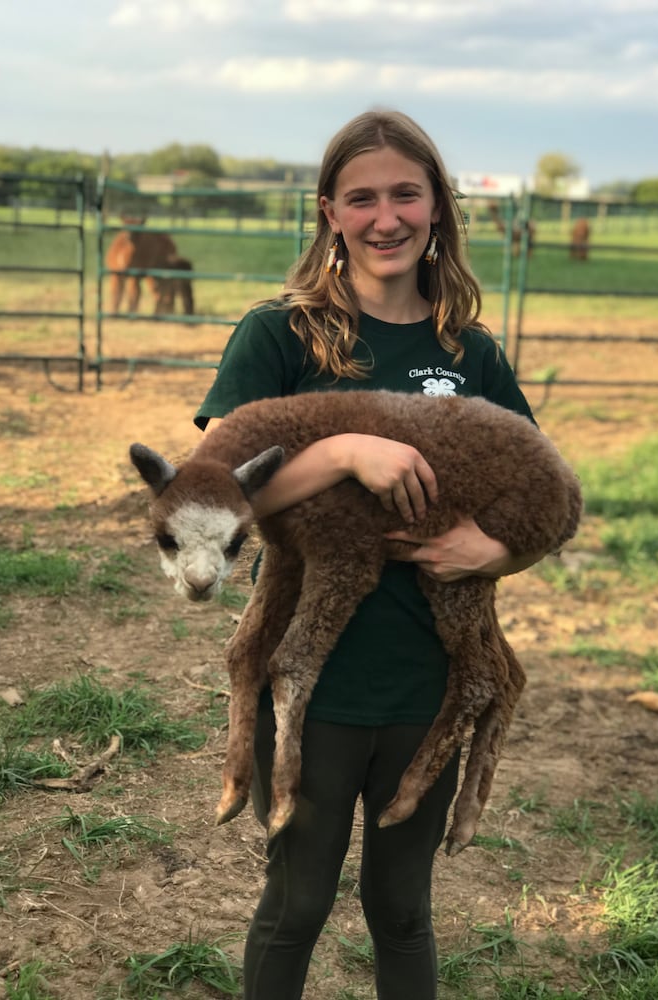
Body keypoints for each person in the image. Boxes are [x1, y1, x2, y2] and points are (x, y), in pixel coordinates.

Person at [194, 109, 548, 1000]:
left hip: (424, 679)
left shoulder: (471, 356)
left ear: (437, 209)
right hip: (314, 677)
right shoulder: (279, 335)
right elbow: (217, 498)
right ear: (329, 212)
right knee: (297, 901)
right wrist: (346, 453)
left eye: (406, 194)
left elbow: (533, 494)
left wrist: (494, 550)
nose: (385, 217)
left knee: (402, 909)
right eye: (362, 198)